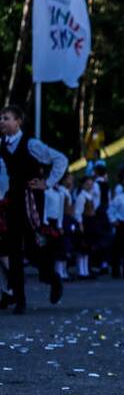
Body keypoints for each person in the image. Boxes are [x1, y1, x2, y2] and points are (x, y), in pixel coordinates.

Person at [0, 105, 67, 313]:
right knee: (12, 250)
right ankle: (20, 299)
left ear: (18, 121)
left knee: (32, 248)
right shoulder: (1, 144)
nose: (2, 122)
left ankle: (52, 278)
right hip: (12, 200)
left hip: (30, 199)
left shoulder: (31, 144)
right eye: (1, 118)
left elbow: (60, 159)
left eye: (6, 118)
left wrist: (47, 183)